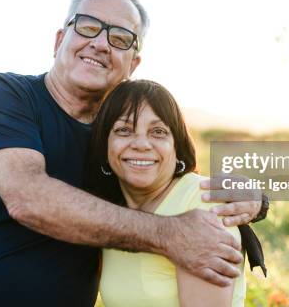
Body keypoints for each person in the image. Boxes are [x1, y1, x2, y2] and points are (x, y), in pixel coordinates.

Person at [0, 0, 265, 306]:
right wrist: (171, 234)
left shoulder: (115, 140)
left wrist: (255, 199)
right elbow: (28, 199)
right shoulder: (2, 95)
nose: (101, 43)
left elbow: (166, 183)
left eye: (120, 38)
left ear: (133, 64)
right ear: (59, 40)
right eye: (88, 27)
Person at [88, 79, 264, 306]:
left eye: (158, 131)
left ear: (176, 145)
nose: (141, 144)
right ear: (104, 144)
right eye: (123, 130)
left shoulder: (204, 205)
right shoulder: (112, 212)